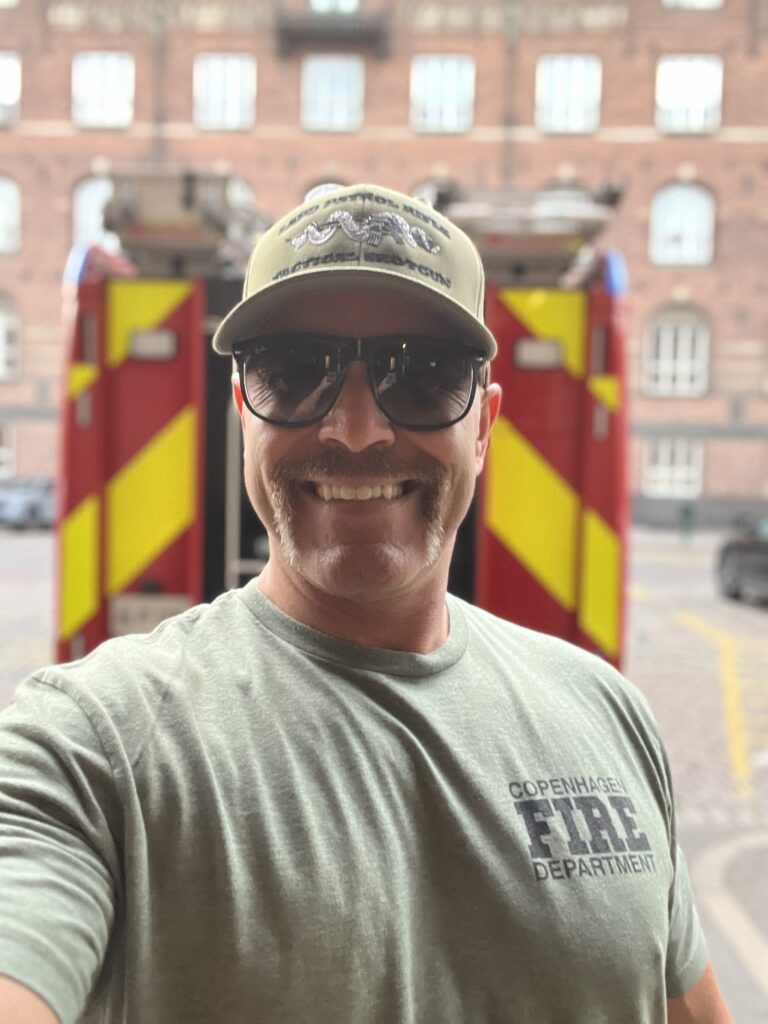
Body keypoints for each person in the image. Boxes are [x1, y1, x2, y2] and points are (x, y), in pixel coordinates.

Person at [0, 183, 732, 1024]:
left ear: (484, 427)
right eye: (291, 371)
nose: (355, 430)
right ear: (242, 411)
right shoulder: (94, 747)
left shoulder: (611, 717)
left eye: (422, 376)